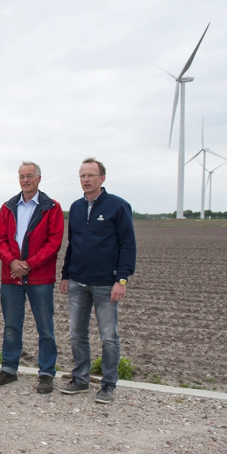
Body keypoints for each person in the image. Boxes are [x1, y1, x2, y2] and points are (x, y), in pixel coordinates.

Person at [60, 158, 136, 403]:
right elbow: (72, 244)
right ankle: (81, 379)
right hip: (78, 282)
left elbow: (127, 245)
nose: (86, 179)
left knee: (108, 336)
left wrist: (121, 280)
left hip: (106, 283)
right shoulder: (77, 208)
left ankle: (108, 385)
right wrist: (65, 275)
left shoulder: (117, 206)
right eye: (82, 175)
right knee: (76, 334)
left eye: (91, 175)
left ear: (102, 178)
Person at [0, 161, 64, 394]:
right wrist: (13, 262)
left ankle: (46, 373)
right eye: (21, 176)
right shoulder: (8, 207)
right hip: (11, 277)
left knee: (45, 328)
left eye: (29, 176)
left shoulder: (51, 207)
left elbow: (53, 243)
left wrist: (29, 265)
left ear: (39, 179)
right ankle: (9, 368)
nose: (25, 180)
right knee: (12, 326)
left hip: (40, 278)